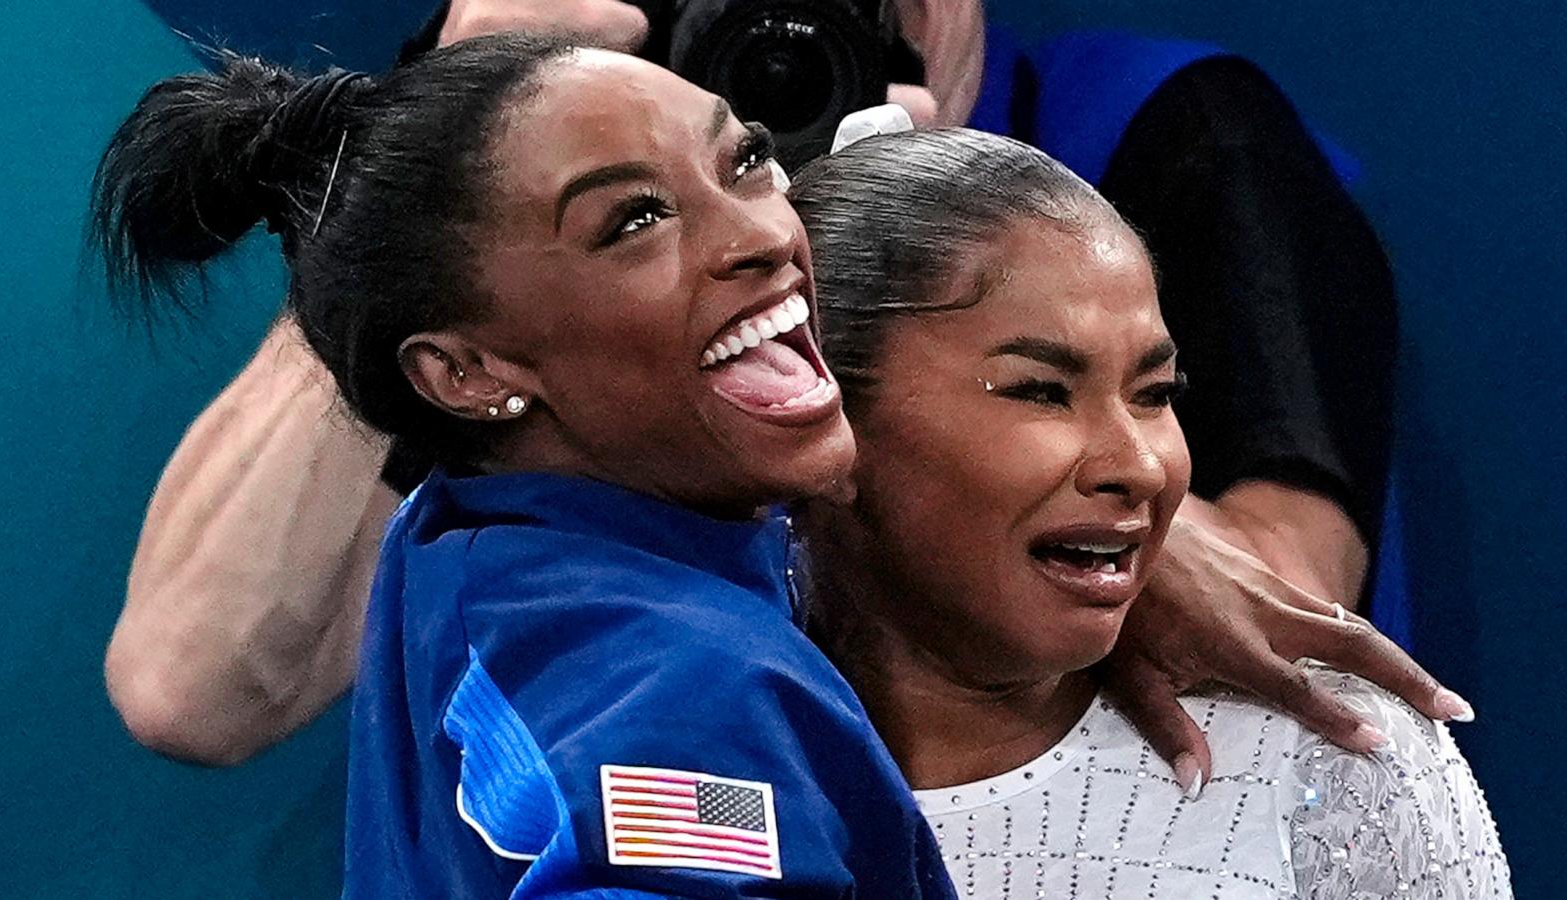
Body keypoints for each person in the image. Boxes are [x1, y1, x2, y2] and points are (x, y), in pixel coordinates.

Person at [106, 0, 1451, 780]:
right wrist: (434, 159)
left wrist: (852, 283)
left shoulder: (1176, 134)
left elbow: (1298, 636)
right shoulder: (530, 240)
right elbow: (193, 685)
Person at [92, 34, 957, 898]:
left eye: (747, 161)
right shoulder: (674, 692)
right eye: (634, 222)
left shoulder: (468, 532)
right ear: (466, 373)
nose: (762, 233)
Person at [790, 127, 1510, 899]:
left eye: (1155, 394)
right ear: (821, 415)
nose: (1138, 464)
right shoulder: (683, 745)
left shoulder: (1329, 762)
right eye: (1041, 391)